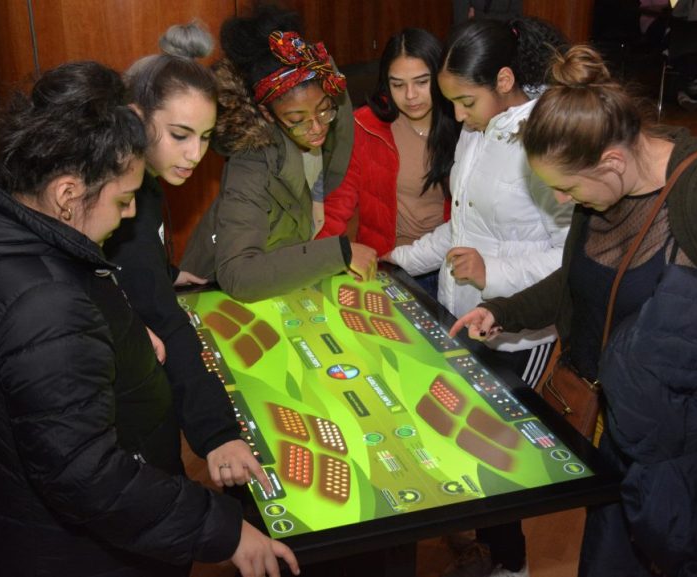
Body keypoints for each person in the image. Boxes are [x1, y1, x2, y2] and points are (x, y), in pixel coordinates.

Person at [0, 60, 299, 577]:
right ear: (68, 195)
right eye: (122, 201)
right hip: (75, 553)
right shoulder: (45, 306)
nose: (132, 215)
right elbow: (89, 476)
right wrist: (221, 529)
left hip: (22, 527)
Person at [450, 45, 697, 576]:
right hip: (619, 429)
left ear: (612, 161)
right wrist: (502, 310)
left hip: (691, 444)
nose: (564, 200)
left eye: (566, 187)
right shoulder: (597, 196)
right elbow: (578, 283)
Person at [384, 17, 572, 577]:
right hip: (460, 310)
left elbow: (570, 257)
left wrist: (494, 270)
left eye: (466, 101)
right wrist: (401, 258)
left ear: (506, 79)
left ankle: (511, 566)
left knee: (499, 457)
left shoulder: (550, 135)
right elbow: (458, 230)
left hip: (520, 331)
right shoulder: (473, 129)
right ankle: (485, 551)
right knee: (461, 439)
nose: (457, 116)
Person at [104, 22, 267, 495]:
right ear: (136, 117)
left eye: (205, 136)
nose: (195, 154)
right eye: (180, 135)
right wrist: (217, 434)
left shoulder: (139, 177)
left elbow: (130, 265)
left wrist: (164, 272)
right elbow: (161, 315)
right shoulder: (124, 198)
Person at [179, 4, 378, 302]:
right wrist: (337, 253)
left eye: (324, 110)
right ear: (267, 114)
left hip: (273, 283)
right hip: (208, 293)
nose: (315, 129)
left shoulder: (325, 127)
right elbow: (238, 274)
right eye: (297, 121)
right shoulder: (250, 162)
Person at [317, 27, 459, 299]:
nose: (410, 96)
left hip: (448, 267)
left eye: (421, 82)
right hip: (388, 264)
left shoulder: (464, 122)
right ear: (385, 83)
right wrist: (329, 256)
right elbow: (337, 203)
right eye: (398, 84)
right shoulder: (367, 126)